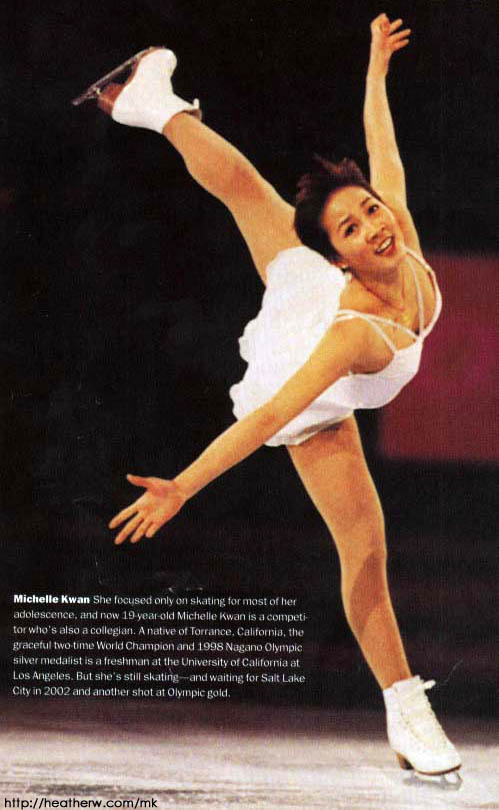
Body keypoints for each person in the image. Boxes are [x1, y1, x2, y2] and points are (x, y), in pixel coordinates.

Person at [84, 14, 461, 776]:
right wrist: (182, 487)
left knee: (248, 190)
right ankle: (407, 709)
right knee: (365, 550)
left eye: (369, 211)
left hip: (310, 290)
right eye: (351, 228)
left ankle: (152, 104)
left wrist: (375, 70)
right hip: (299, 365)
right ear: (340, 257)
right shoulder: (352, 335)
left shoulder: (397, 235)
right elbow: (271, 414)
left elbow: (382, 150)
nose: (373, 226)